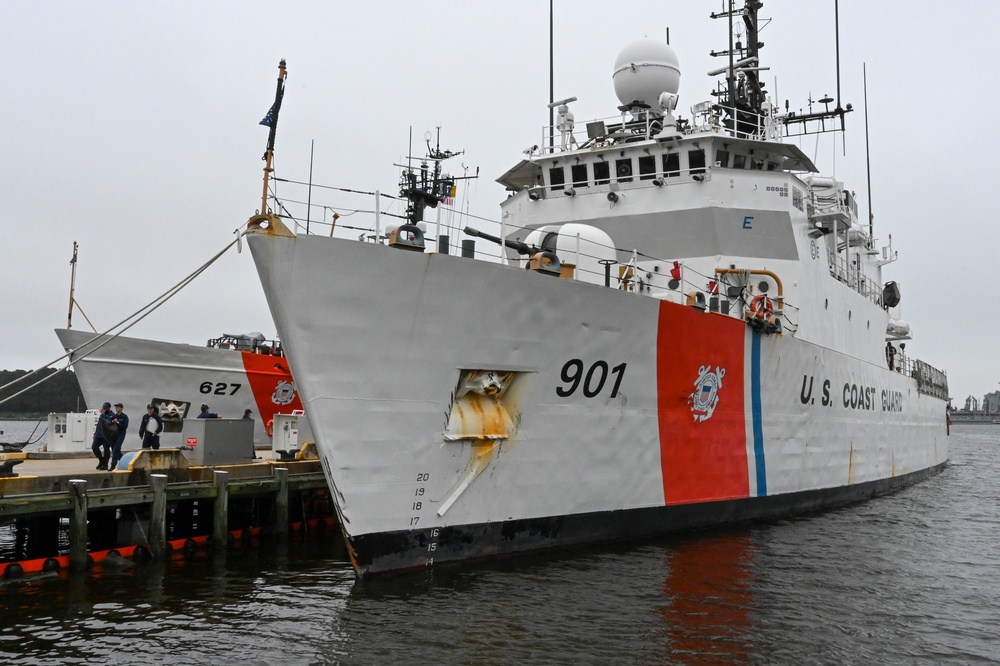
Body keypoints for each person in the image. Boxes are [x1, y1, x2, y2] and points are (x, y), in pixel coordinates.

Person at [91, 402, 114, 470]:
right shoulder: (101, 415)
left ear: (108, 408)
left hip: (106, 436)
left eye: (105, 408)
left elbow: (111, 425)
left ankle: (105, 464)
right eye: (103, 408)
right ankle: (101, 460)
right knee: (94, 447)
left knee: (106, 449)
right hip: (99, 435)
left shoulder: (112, 415)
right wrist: (95, 433)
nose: (103, 409)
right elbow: (99, 425)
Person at [109, 402, 129, 470]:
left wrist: (117, 422)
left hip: (121, 434)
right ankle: (124, 462)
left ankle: (113, 465)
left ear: (121, 408)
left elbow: (124, 427)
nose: (116, 408)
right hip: (114, 434)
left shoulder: (124, 417)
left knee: (116, 448)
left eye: (118, 407)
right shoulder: (114, 416)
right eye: (116, 407)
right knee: (115, 449)